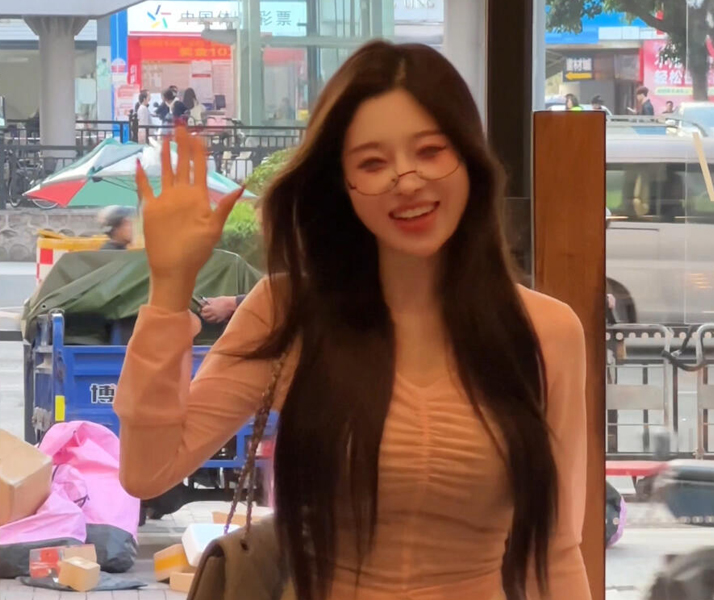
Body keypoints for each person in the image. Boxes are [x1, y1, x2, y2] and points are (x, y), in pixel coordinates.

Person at [118, 40, 590, 600]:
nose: (406, 180)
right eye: (372, 163)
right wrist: (170, 288)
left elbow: (557, 552)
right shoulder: (287, 312)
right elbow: (147, 472)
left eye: (430, 151)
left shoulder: (547, 332)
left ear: (469, 158)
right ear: (340, 183)